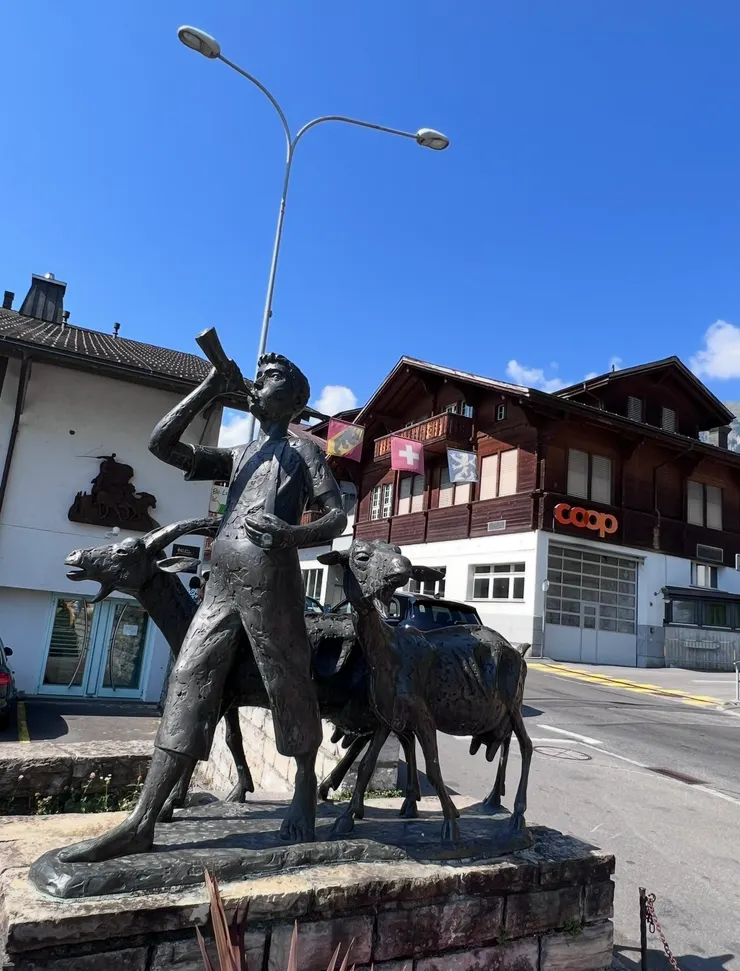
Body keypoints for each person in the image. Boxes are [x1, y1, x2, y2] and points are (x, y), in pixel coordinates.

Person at [60, 351, 346, 862]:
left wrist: (292, 533)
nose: (260, 385)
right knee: (188, 679)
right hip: (221, 582)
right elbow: (160, 443)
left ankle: (304, 789)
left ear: (297, 400)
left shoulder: (305, 453)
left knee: (286, 677)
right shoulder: (237, 455)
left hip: (272, 579)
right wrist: (212, 386)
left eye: (273, 379)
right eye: (257, 379)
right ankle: (142, 820)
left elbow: (336, 517)